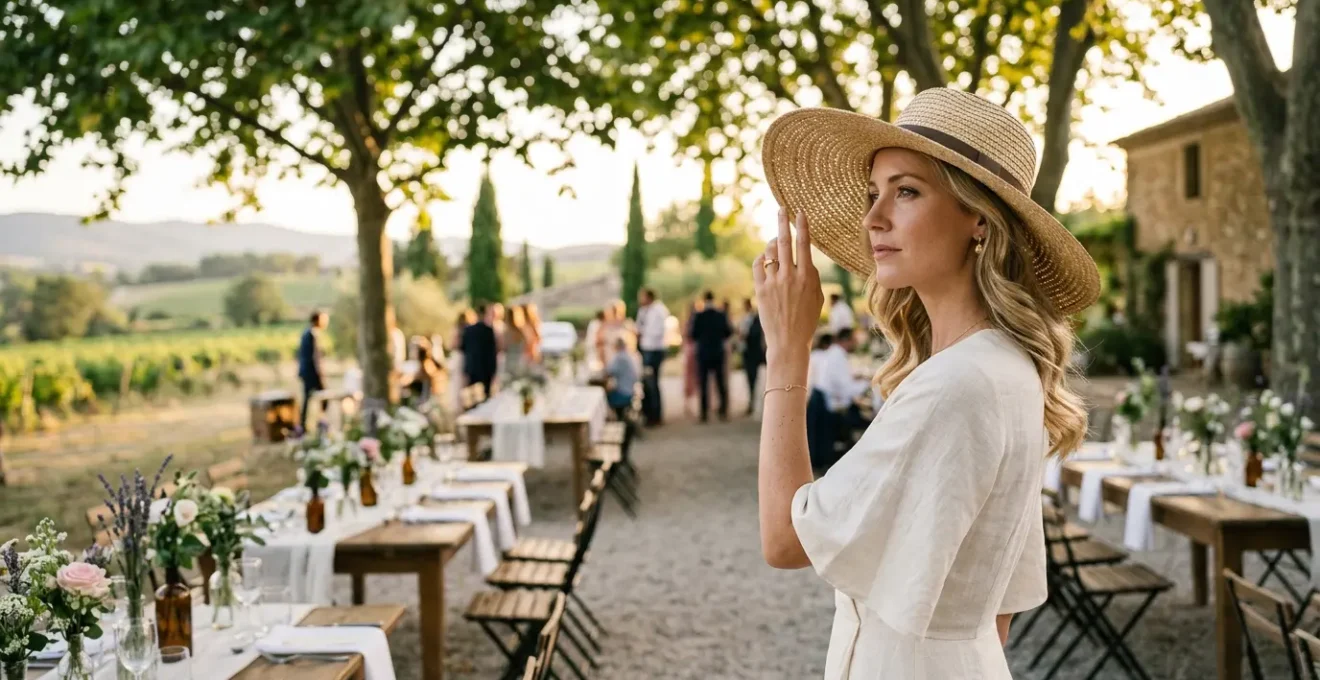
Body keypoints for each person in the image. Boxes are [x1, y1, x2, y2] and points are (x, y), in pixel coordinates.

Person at [754, 88, 1098, 678]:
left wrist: (787, 351)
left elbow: (785, 540)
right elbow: (997, 614)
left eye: (906, 191)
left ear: (979, 220)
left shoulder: (954, 385)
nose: (873, 218)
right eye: (872, 194)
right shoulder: (1007, 367)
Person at [689, 290, 732, 422]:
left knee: (703, 383)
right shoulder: (721, 315)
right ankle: (723, 411)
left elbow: (693, 334)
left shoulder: (699, 316)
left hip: (703, 352)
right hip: (718, 351)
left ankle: (704, 413)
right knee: (720, 382)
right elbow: (728, 332)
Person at [636, 287, 669, 425]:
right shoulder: (644, 310)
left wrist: (642, 332)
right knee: (647, 383)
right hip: (646, 348)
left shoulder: (659, 310)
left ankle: (655, 415)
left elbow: (656, 331)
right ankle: (648, 412)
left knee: (652, 383)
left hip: (654, 349)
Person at [296, 310, 328, 432]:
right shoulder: (313, 334)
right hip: (312, 373)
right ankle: (322, 423)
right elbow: (315, 357)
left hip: (305, 371)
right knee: (325, 397)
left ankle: (304, 426)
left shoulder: (305, 333)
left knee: (307, 399)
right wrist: (320, 374)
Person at [461, 304, 499, 398]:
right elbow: (492, 351)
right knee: (485, 396)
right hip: (486, 368)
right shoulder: (489, 331)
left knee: (471, 397)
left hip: (472, 367)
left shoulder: (468, 330)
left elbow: (463, 348)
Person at [739, 298, 766, 416]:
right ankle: (751, 402)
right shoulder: (745, 318)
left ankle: (754, 404)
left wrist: (745, 336)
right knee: (750, 379)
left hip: (753, 354)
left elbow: (754, 335)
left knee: (755, 379)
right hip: (747, 353)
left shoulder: (756, 319)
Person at [604, 336, 640, 419]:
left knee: (604, 397)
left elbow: (609, 371)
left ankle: (615, 419)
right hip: (630, 390)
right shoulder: (627, 355)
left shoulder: (620, 357)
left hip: (624, 392)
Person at [682, 302, 699, 417]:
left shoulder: (690, 322)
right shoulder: (694, 321)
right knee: (694, 378)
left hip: (690, 351)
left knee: (691, 378)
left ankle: (689, 405)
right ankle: (691, 405)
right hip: (693, 351)